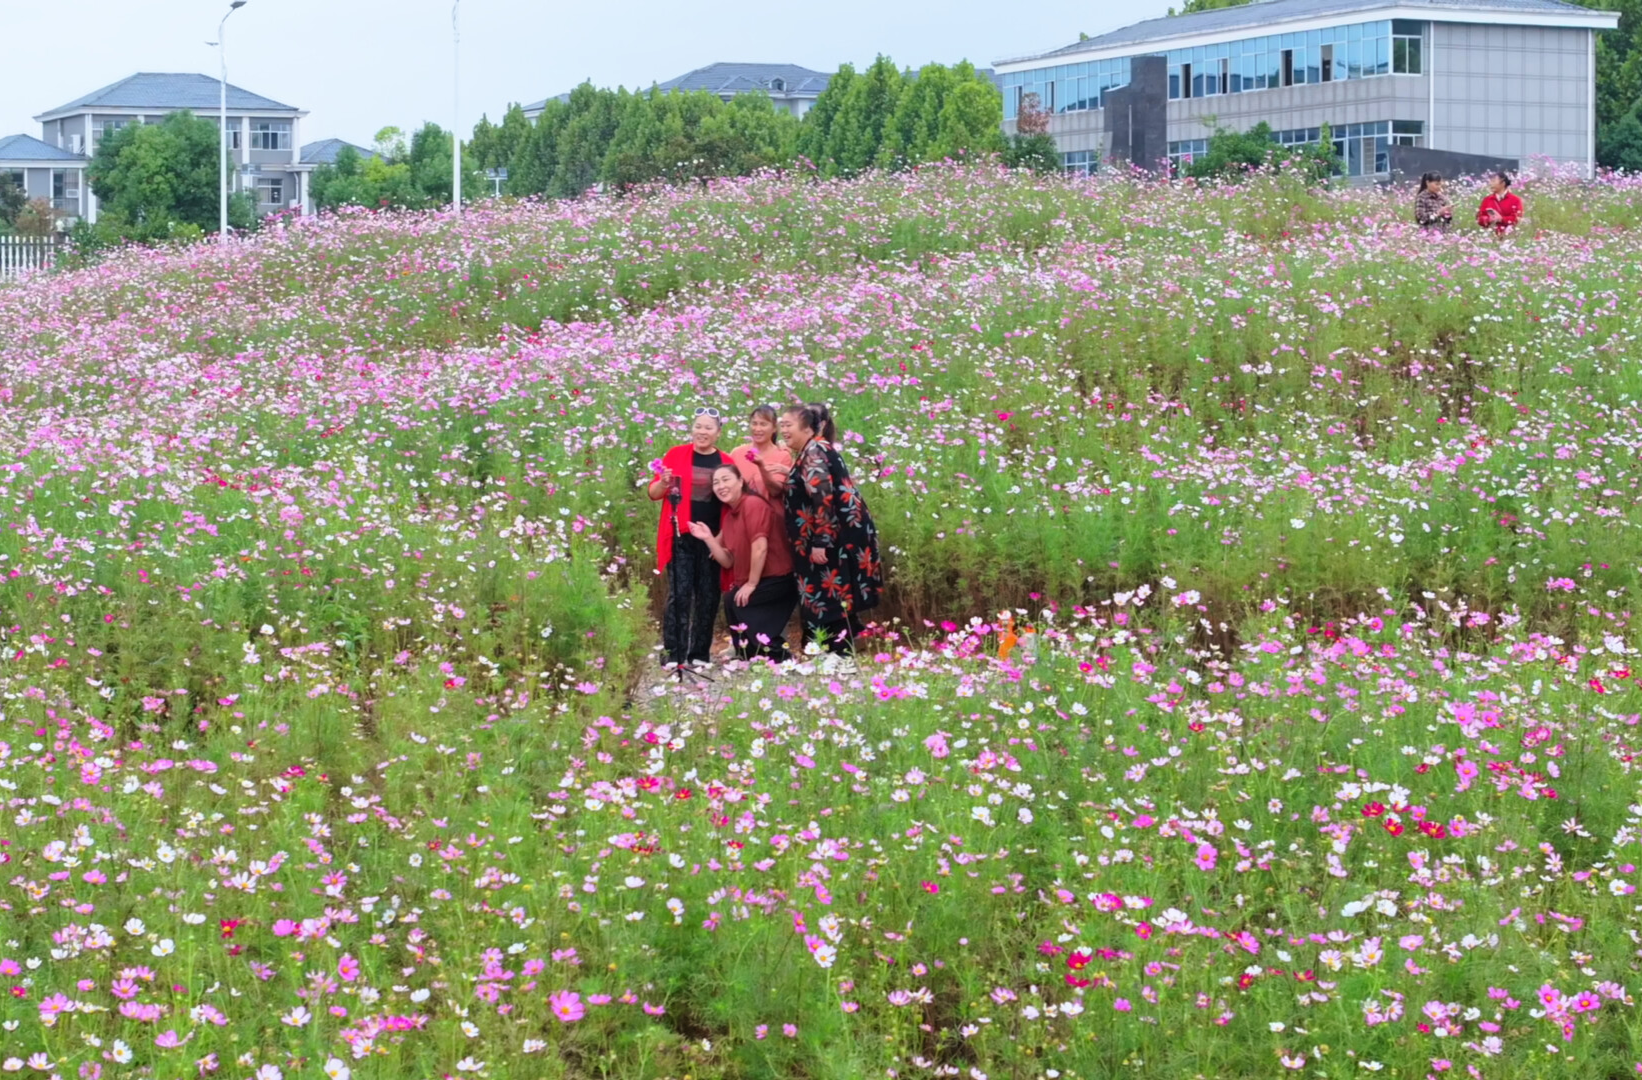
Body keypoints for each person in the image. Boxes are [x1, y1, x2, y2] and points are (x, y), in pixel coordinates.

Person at [781, 404, 882, 674]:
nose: (784, 430)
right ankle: (829, 650)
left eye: (789, 425)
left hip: (833, 536)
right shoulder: (811, 451)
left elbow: (822, 499)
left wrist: (820, 541)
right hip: (830, 535)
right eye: (782, 425)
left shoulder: (814, 451)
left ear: (807, 428)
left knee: (833, 590)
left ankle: (842, 654)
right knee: (828, 591)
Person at [647, 408, 733, 669]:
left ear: (718, 433)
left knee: (708, 595)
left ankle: (700, 653)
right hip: (680, 534)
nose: (702, 432)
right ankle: (674, 654)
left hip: (711, 538)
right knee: (679, 594)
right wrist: (663, 483)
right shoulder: (675, 454)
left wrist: (719, 537)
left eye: (708, 428)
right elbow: (653, 493)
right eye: (698, 426)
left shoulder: (726, 461)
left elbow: (731, 500)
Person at [689, 464, 798, 662]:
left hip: (779, 578)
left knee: (740, 601)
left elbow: (760, 547)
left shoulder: (752, 504)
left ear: (740, 481)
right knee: (732, 600)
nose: (721, 486)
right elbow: (728, 561)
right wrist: (708, 539)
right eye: (716, 482)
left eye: (726, 480)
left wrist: (751, 584)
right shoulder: (730, 517)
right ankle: (749, 654)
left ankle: (776, 652)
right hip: (761, 580)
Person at [728, 405, 792, 497]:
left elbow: (775, 491)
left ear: (774, 428)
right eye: (754, 423)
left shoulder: (783, 456)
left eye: (763, 424)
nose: (757, 429)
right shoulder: (737, 453)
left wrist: (762, 467)